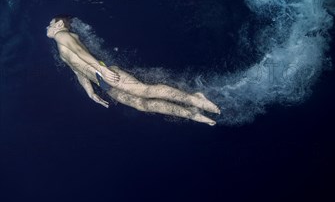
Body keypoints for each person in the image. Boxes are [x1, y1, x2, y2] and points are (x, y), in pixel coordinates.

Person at [46, 15, 220, 126]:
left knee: (145, 91)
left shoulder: (63, 35)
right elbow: (78, 70)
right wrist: (90, 92)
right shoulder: (62, 51)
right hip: (102, 82)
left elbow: (80, 51)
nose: (47, 27)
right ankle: (190, 113)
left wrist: (101, 69)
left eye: (50, 24)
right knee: (142, 105)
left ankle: (194, 98)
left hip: (104, 73)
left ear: (59, 24)